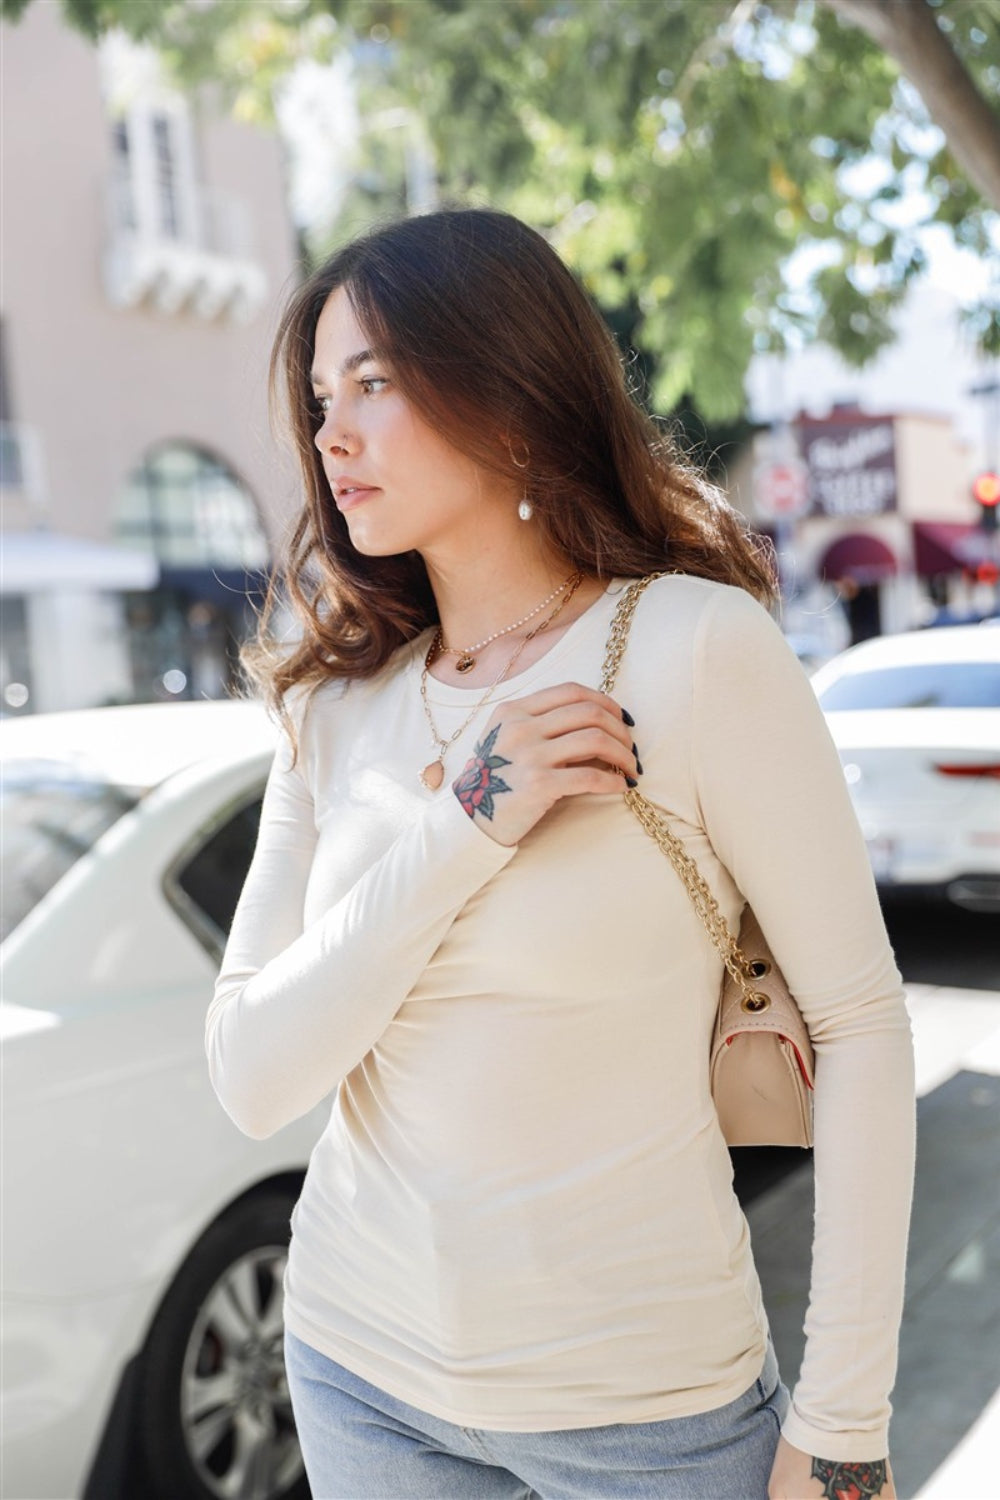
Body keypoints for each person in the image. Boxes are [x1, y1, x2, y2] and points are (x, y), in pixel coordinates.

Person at [206, 208, 915, 1500]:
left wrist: (845, 1419)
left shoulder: (697, 653)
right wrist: (463, 823)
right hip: (364, 1380)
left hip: (656, 1420)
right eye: (320, 396)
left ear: (510, 393)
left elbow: (863, 1021)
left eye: (374, 381)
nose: (331, 433)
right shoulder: (334, 704)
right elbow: (254, 1076)